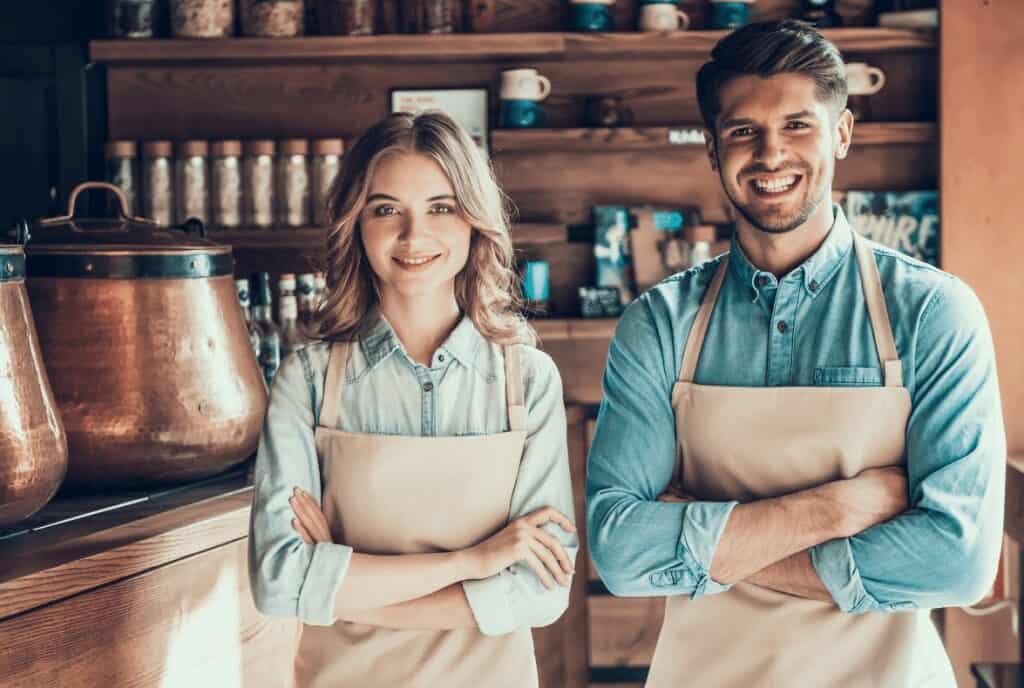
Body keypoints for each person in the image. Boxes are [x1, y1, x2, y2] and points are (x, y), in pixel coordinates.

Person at [586, 20, 1005, 688]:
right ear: (713, 148)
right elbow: (620, 551)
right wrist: (834, 510)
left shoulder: (931, 313)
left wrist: (712, 545)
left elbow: (958, 563)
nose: (771, 153)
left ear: (841, 133)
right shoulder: (659, 323)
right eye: (743, 131)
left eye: (798, 125)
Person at [248, 111, 578, 688]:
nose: (413, 235)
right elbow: (280, 582)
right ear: (356, 225)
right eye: (386, 210)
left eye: (441, 207)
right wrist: (472, 563)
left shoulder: (530, 381)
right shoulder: (307, 380)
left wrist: (343, 593)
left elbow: (538, 593)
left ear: (475, 222)